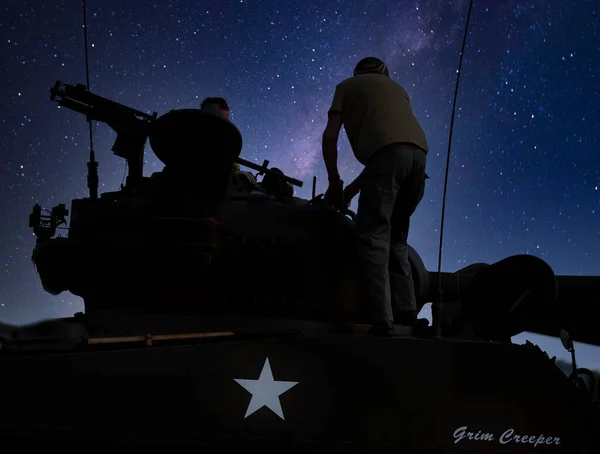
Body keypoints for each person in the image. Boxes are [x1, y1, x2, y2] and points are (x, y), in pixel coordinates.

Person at [321, 56, 429, 337]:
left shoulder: (346, 86)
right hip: (419, 158)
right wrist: (351, 190)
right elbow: (393, 155)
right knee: (397, 239)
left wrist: (334, 181)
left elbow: (331, 136)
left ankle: (381, 319)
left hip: (386, 157)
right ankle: (408, 311)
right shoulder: (399, 90)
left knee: (373, 237)